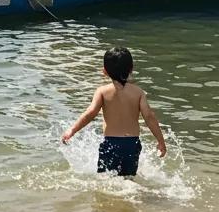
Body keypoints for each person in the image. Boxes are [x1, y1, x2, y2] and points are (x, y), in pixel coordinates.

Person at [61, 46, 167, 176]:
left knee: (106, 180)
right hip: (132, 144)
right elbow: (149, 116)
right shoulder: (138, 92)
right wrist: (160, 141)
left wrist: (72, 130)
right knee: (128, 180)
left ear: (104, 71)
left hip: (111, 144)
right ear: (131, 69)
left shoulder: (102, 91)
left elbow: (90, 113)